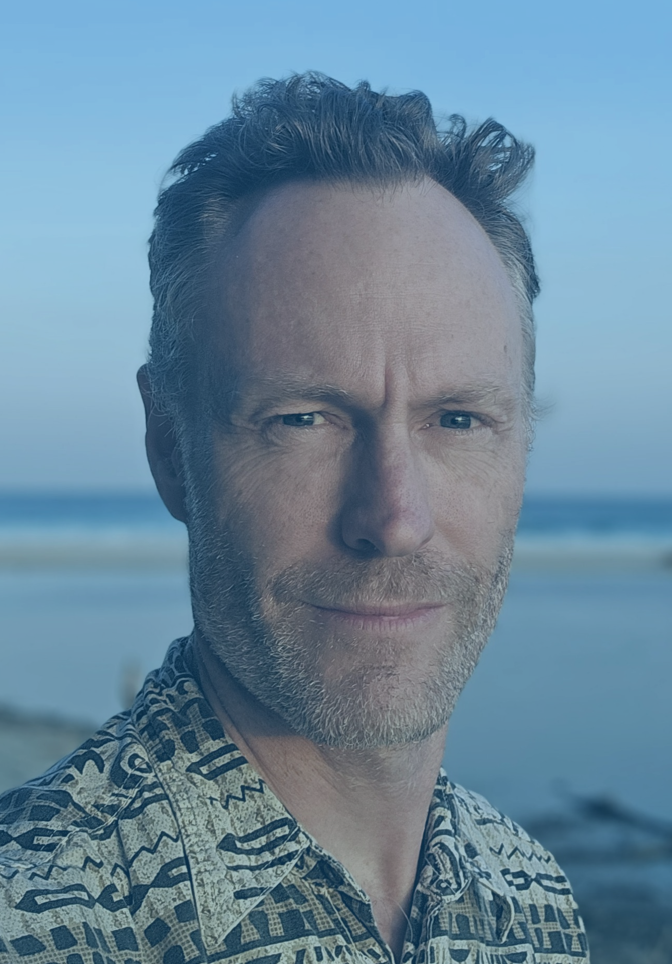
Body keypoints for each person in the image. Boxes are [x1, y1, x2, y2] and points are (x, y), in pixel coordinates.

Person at [0, 74, 589, 963]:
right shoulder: (35, 919)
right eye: (302, 420)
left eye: (458, 419)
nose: (393, 518)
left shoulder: (532, 897)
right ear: (169, 448)